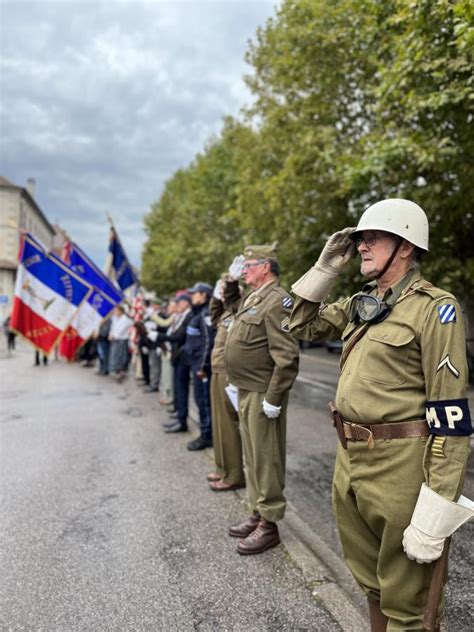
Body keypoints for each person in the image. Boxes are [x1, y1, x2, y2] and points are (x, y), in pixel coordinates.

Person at [289, 199, 472, 631]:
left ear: (405, 246)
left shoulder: (435, 309)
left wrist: (437, 507)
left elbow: (451, 415)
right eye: (360, 239)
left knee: (408, 603)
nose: (362, 247)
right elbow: (300, 325)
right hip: (350, 459)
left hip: (401, 467)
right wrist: (325, 269)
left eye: (372, 237)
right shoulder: (362, 303)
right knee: (372, 586)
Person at [224, 244, 299, 555]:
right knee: (253, 455)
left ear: (266, 267)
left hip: (261, 391)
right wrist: (230, 282)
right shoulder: (254, 297)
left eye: (249, 265)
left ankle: (269, 524)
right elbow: (229, 308)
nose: (244, 270)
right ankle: (257, 511)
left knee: (266, 458)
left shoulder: (277, 300)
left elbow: (287, 355)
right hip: (245, 387)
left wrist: (274, 397)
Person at [207, 275, 245, 492]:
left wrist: (229, 288)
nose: (222, 293)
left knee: (229, 427)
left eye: (224, 290)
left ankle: (234, 475)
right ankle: (223, 468)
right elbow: (214, 317)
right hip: (217, 370)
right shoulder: (226, 313)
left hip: (229, 373)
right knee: (220, 426)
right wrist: (215, 296)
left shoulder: (239, 308)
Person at [183, 282, 215, 451]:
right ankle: (205, 432)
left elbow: (208, 343)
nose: (192, 296)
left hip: (201, 367)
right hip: (195, 364)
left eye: (195, 293)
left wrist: (202, 367)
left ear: (203, 295)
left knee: (204, 402)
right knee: (199, 400)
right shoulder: (197, 313)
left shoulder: (205, 313)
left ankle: (207, 435)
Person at [160, 293, 193, 434]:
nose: (177, 305)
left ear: (186, 303)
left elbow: (180, 336)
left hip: (183, 357)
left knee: (182, 389)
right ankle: (179, 414)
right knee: (178, 388)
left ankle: (182, 420)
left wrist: (160, 336)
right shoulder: (182, 315)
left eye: (179, 302)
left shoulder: (189, 315)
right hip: (177, 356)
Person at [108, 304, 133, 381]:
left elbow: (121, 330)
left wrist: (114, 335)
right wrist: (110, 334)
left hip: (121, 339)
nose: (114, 312)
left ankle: (121, 371)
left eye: (116, 310)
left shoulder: (125, 319)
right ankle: (116, 369)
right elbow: (113, 327)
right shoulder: (115, 318)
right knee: (115, 355)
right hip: (115, 339)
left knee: (121, 356)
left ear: (121, 311)